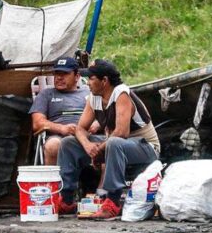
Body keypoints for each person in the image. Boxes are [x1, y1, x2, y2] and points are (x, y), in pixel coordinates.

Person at [56, 59, 160, 219]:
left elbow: (121, 132)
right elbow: (80, 128)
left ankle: (113, 202)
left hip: (145, 147)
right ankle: (67, 199)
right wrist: (88, 145)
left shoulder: (121, 94)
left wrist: (99, 148)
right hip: (113, 144)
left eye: (91, 78)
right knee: (68, 143)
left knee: (114, 142)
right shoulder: (94, 97)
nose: (87, 82)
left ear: (104, 81)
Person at [29, 57, 90, 165]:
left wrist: (96, 124)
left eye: (65, 74)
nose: (59, 78)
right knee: (53, 145)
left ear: (77, 76)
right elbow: (37, 123)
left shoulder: (88, 93)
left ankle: (106, 182)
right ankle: (55, 181)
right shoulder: (46, 94)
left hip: (88, 135)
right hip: (58, 137)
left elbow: (104, 114)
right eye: (57, 74)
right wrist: (62, 128)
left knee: (109, 145)